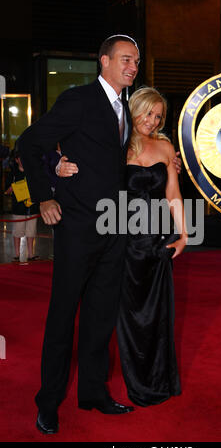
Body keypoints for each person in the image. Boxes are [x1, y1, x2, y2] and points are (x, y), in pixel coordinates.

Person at [18, 34, 141, 435]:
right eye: (125, 59)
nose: (132, 67)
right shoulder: (78, 100)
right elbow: (29, 142)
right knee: (62, 316)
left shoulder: (126, 106)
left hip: (114, 225)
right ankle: (48, 402)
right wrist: (43, 196)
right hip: (77, 227)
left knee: (100, 315)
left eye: (136, 62)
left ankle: (93, 392)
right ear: (103, 61)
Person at [58, 87, 187, 407]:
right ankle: (97, 387)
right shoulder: (114, 143)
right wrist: (58, 163)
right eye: (148, 112)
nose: (152, 120)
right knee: (112, 317)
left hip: (157, 244)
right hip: (118, 242)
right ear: (134, 109)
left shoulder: (166, 147)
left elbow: (172, 195)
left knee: (157, 316)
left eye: (159, 116)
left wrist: (184, 236)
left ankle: (155, 381)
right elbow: (71, 148)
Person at [5, 153, 40, 262]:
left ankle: (30, 254)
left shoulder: (32, 172)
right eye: (20, 158)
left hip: (32, 207)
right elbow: (6, 191)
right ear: (16, 160)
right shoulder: (13, 173)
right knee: (18, 231)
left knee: (31, 232)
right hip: (18, 208)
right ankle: (16, 254)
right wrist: (14, 186)